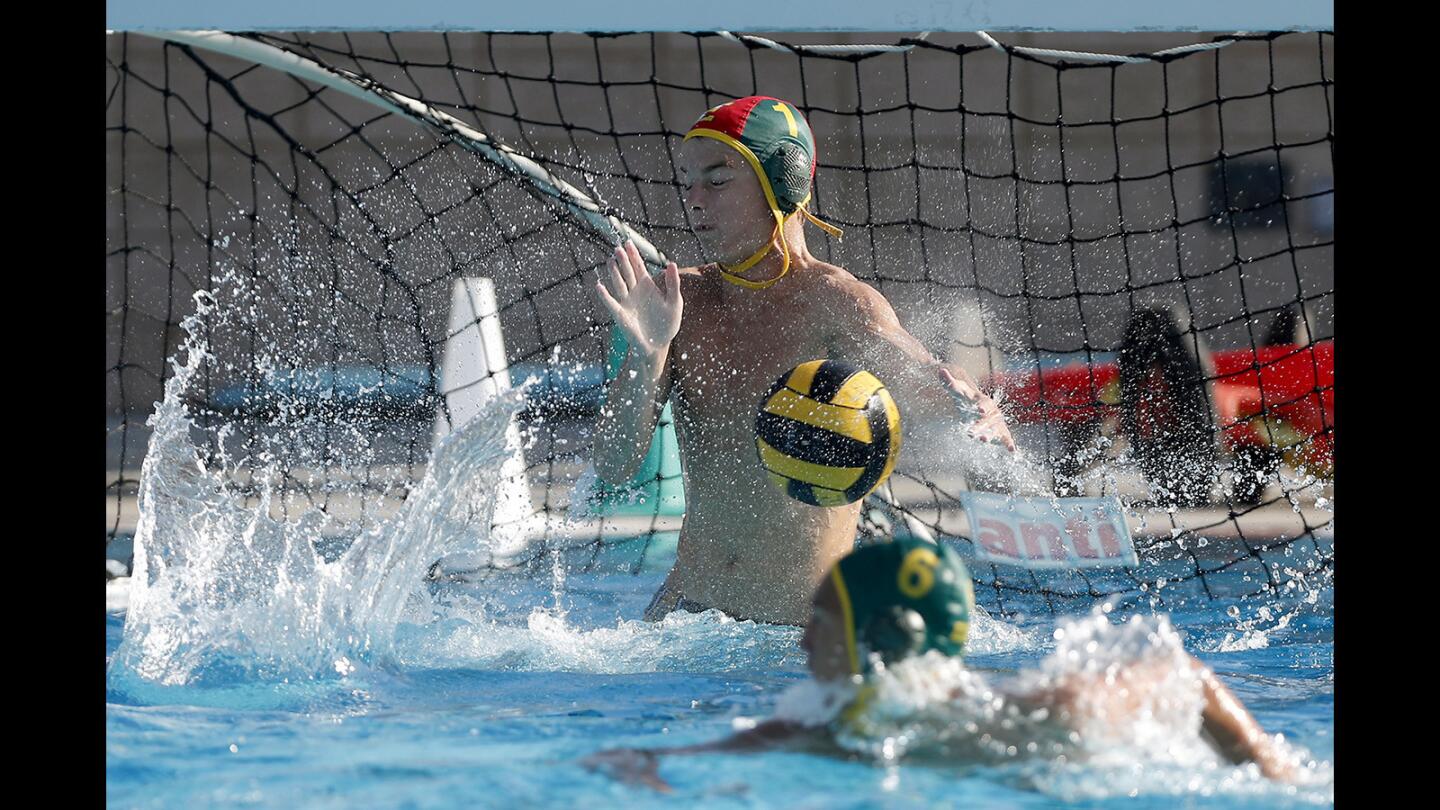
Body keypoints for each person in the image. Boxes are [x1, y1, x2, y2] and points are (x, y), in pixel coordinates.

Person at [591, 95, 1014, 625]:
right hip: (686, 617)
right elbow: (613, 464)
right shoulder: (681, 305)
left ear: (783, 182)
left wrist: (974, 409)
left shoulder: (833, 303)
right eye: (689, 181)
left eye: (718, 181)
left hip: (801, 633)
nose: (695, 200)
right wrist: (648, 354)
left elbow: (932, 393)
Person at [583, 539, 1299, 793]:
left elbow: (1191, 679)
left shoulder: (1046, 707)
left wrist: (1271, 773)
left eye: (822, 622)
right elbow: (759, 743)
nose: (804, 641)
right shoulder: (850, 720)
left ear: (885, 636)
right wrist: (651, 760)